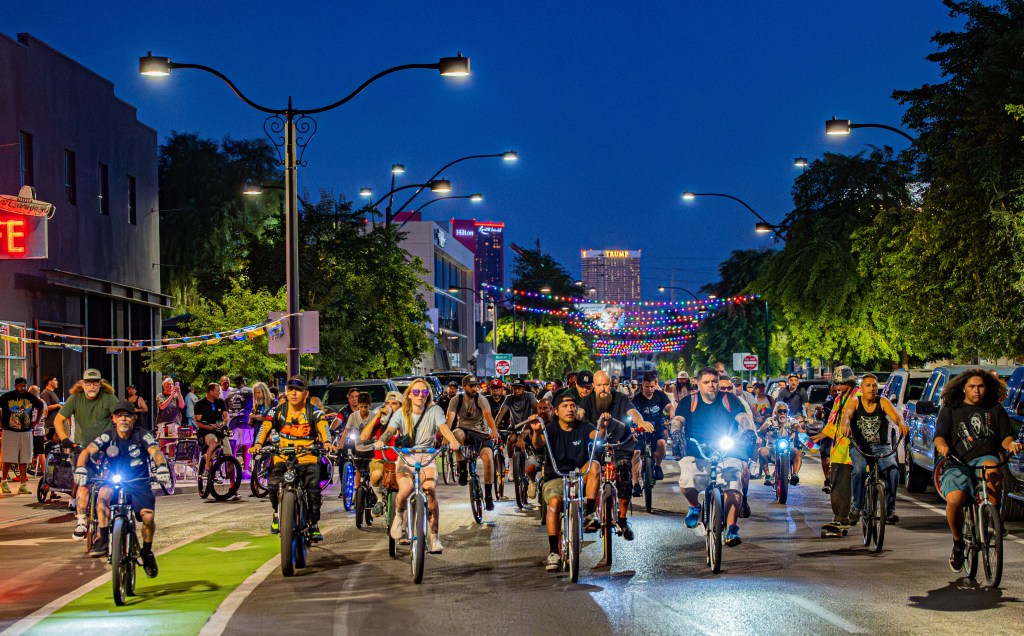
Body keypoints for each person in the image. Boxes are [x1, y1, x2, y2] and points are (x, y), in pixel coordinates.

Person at [934, 369, 1023, 572]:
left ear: (987, 388)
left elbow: (1005, 437)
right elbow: (939, 436)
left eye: (981, 386)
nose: (977, 390)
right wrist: (942, 446)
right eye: (972, 386)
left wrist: (1011, 445)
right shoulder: (951, 408)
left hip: (984, 457)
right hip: (957, 462)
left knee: (992, 468)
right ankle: (958, 543)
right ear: (963, 388)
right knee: (954, 500)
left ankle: (994, 519)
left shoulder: (995, 408)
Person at [73, 400, 171, 575]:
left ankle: (147, 552)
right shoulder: (107, 437)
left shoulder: (142, 435)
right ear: (113, 419)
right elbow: (87, 451)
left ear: (134, 418)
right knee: (102, 495)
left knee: (147, 517)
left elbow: (156, 451)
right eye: (119, 416)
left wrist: (162, 467)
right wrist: (80, 468)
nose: (123, 419)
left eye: (127, 416)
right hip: (114, 480)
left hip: (139, 482)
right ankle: (103, 538)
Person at [375, 379, 461, 553]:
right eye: (416, 392)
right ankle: (399, 516)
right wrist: (381, 441)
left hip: (427, 456)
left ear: (428, 394)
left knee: (430, 490)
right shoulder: (401, 413)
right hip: (406, 456)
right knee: (406, 489)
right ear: (409, 395)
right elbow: (390, 431)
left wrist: (453, 440)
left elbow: (443, 427)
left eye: (424, 392)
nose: (420, 395)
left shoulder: (435, 410)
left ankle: (434, 538)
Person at [675, 367, 754, 546]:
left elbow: (742, 417)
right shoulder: (689, 401)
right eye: (706, 382)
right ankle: (694, 506)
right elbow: (678, 420)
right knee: (687, 481)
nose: (711, 385)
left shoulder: (730, 399)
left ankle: (731, 528)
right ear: (697, 383)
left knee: (733, 485)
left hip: (727, 448)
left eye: (714, 381)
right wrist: (676, 433)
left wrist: (748, 429)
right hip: (696, 449)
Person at [250, 376, 333, 541]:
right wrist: (258, 444)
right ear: (286, 392)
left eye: (298, 390)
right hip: (282, 458)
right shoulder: (277, 411)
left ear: (306, 393)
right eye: (290, 389)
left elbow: (323, 426)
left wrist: (327, 442)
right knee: (273, 485)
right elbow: (266, 426)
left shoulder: (313, 411)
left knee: (313, 489)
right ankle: (277, 514)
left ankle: (313, 524)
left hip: (307, 458)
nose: (294, 393)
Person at [531, 394, 605, 571]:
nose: (570, 409)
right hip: (555, 478)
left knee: (595, 465)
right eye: (564, 406)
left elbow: (597, 437)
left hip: (580, 476)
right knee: (554, 503)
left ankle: (589, 514)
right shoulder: (550, 428)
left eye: (572, 406)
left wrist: (602, 426)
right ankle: (553, 552)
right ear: (556, 411)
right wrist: (536, 431)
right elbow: (538, 444)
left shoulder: (584, 426)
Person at [576, 370, 652, 538]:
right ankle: (589, 514)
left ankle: (623, 520)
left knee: (625, 477)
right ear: (594, 386)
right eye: (599, 385)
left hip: (621, 444)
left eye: (606, 384)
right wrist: (577, 416)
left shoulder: (621, 398)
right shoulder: (587, 401)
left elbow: (632, 412)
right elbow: (580, 413)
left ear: (610, 385)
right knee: (593, 469)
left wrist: (640, 421)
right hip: (596, 446)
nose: (603, 388)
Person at [53, 369, 120, 537]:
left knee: (112, 482)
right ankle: (81, 521)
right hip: (81, 448)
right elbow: (58, 420)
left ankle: (112, 511)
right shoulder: (75, 399)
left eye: (95, 383)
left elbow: (120, 416)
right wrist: (64, 439)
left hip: (105, 448)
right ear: (82, 384)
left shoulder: (108, 398)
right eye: (88, 383)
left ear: (100, 384)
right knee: (83, 483)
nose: (92, 386)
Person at [841, 373, 907, 525]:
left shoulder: (882, 401)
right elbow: (847, 416)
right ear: (861, 388)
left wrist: (901, 424)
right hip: (860, 446)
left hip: (881, 446)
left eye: (874, 386)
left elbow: (896, 417)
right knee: (859, 470)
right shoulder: (855, 401)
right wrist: (846, 424)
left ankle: (890, 510)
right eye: (868, 385)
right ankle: (856, 507)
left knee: (893, 470)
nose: (871, 388)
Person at [811, 366, 859, 531]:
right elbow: (832, 423)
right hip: (839, 449)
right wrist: (819, 436)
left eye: (841, 383)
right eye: (836, 383)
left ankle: (849, 514)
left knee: (849, 483)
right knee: (837, 484)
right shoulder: (838, 399)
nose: (838, 387)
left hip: (854, 448)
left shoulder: (858, 397)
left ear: (850, 382)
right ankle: (840, 517)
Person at [446, 375, 500, 510]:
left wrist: (493, 430)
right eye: (471, 386)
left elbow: (488, 415)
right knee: (455, 434)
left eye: (476, 386)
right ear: (464, 387)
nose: (475, 388)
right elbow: (450, 418)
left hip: (482, 434)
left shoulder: (481, 399)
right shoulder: (456, 400)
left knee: (488, 459)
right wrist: (445, 436)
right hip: (464, 430)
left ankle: (488, 495)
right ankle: (462, 467)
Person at [360, 391, 403, 517]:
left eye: (394, 404)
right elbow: (364, 436)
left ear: (401, 406)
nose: (390, 406)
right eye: (387, 403)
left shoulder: (406, 420)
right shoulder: (381, 420)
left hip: (401, 460)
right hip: (382, 458)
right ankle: (380, 500)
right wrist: (377, 415)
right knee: (376, 475)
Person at [0, 377, 46, 494]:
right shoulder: (8, 396)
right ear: (16, 385)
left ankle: (23, 484)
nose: (23, 388)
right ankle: (4, 481)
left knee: (24, 458)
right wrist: (1, 422)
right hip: (10, 430)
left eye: (25, 385)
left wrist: (36, 421)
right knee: (8, 457)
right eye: (21, 385)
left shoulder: (30, 397)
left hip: (26, 431)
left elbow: (41, 406)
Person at [630, 371, 673, 482]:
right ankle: (637, 480)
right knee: (637, 452)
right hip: (641, 429)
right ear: (642, 385)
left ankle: (658, 466)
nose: (649, 389)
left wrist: (671, 414)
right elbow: (631, 414)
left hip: (658, 427)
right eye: (647, 387)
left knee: (662, 443)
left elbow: (669, 406)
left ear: (655, 385)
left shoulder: (660, 395)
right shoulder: (636, 399)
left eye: (652, 387)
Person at [194, 383, 231, 483]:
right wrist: (210, 426)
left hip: (220, 430)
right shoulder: (200, 404)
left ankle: (233, 482)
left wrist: (222, 424)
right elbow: (198, 422)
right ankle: (207, 468)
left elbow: (226, 417)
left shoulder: (220, 402)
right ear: (210, 391)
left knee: (229, 455)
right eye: (217, 391)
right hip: (207, 430)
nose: (219, 393)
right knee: (213, 442)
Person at [495, 377, 539, 456]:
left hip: (527, 426)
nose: (517, 390)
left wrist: (534, 415)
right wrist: (494, 428)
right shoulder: (509, 398)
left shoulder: (529, 396)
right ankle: (511, 462)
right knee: (510, 440)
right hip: (514, 427)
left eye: (519, 388)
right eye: (515, 388)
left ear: (524, 388)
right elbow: (501, 413)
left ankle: (532, 457)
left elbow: (537, 409)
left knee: (531, 443)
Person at [225, 375, 254, 471]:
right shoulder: (250, 391)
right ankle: (245, 470)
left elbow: (227, 408)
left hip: (232, 423)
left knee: (233, 447)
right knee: (247, 446)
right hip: (245, 422)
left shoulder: (230, 393)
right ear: (243, 381)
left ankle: (232, 470)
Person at [154, 377, 185, 458]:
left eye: (172, 384)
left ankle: (171, 461)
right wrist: (171, 396)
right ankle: (162, 461)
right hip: (164, 423)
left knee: (173, 445)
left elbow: (182, 406)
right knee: (163, 444)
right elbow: (162, 407)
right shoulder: (160, 395)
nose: (171, 386)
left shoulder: (176, 396)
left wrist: (179, 393)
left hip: (174, 423)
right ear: (164, 386)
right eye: (168, 384)